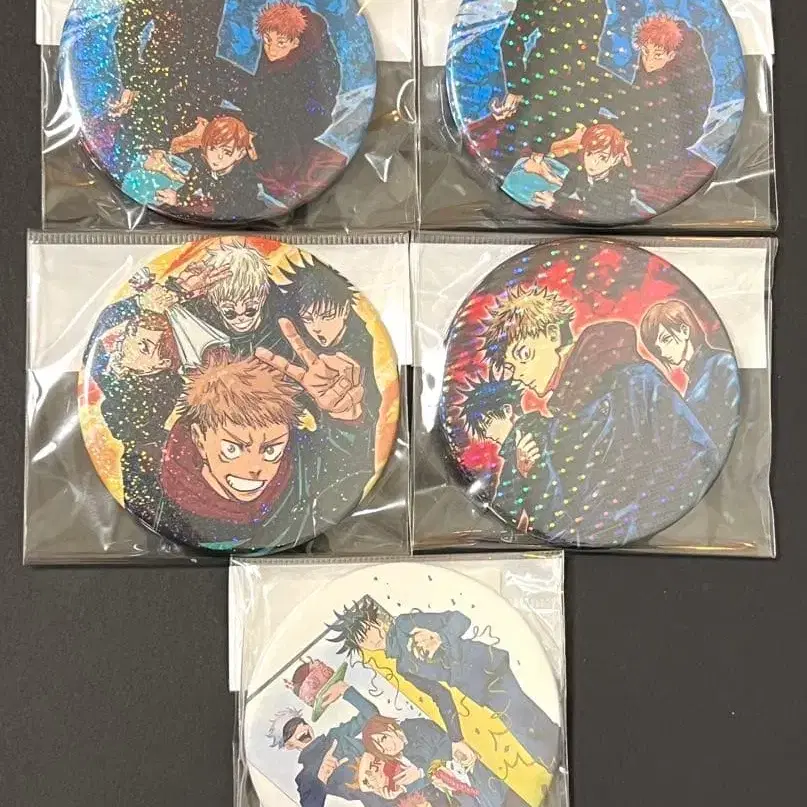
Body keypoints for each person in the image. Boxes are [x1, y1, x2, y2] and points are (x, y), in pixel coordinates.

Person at [479, 284, 720, 546]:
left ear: (552, 335)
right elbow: (557, 526)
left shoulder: (635, 382)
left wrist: (632, 524)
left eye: (523, 354)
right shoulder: (555, 424)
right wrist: (533, 472)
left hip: (653, 550)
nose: (519, 375)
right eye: (512, 368)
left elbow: (697, 460)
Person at [153, 321, 369, 551]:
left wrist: (344, 414)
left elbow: (344, 461)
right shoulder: (162, 489)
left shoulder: (299, 463)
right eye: (232, 449)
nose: (254, 467)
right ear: (199, 439)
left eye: (271, 450)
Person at [328, 599, 560, 770]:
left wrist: (441, 638)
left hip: (486, 666)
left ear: (376, 621)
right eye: (361, 640)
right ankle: (560, 757)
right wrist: (456, 739)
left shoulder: (405, 624)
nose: (370, 639)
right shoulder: (403, 668)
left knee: (523, 723)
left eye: (367, 629)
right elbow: (440, 695)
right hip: (479, 690)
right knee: (523, 723)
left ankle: (558, 759)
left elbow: (460, 619)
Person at [218, 2, 341, 187]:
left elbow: (317, 101)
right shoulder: (275, 40)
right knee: (220, 73)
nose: (272, 48)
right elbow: (262, 86)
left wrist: (259, 133)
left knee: (275, 115)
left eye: (280, 43)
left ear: (295, 43)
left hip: (306, 115)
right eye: (267, 41)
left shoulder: (311, 62)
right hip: (272, 102)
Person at [109, 0, 227, 165]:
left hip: (190, 86)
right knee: (129, 153)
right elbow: (126, 34)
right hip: (160, 82)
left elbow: (126, 34)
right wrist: (133, 82)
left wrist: (133, 81)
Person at [290, 265, 382, 461]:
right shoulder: (301, 349)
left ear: (346, 310)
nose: (317, 328)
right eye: (307, 318)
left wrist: (352, 417)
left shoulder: (370, 349)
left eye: (327, 317)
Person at [640, 299, 740, 455]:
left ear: (684, 331)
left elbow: (737, 421)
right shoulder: (694, 379)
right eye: (657, 348)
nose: (663, 353)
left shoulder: (722, 364)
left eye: (666, 340)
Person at [266, 684, 384, 807]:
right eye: (290, 731)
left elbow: (372, 716)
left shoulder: (336, 736)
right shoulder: (306, 777)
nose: (300, 728)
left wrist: (345, 690)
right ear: (289, 745)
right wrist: (322, 778)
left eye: (301, 722)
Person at [151, 116, 264, 221]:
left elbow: (234, 210)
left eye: (227, 152)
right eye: (213, 148)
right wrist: (178, 198)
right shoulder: (201, 166)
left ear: (240, 154)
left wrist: (190, 206)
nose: (218, 157)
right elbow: (190, 186)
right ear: (205, 147)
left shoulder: (243, 179)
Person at [532, 124, 635, 223]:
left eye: (602, 157)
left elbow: (598, 214)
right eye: (589, 153)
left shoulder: (619, 186)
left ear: (616, 160)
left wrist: (554, 204)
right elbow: (561, 195)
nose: (593, 162)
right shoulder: (577, 174)